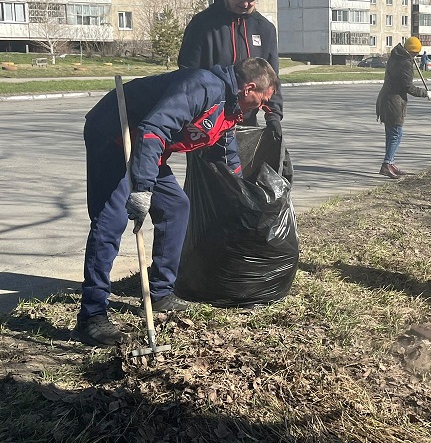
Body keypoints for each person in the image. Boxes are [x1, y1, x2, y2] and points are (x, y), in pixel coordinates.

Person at [73, 58, 278, 347]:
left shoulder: (230, 107)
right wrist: (142, 188)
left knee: (175, 207)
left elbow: (225, 148)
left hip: (146, 150)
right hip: (115, 135)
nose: (260, 107)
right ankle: (92, 315)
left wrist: (238, 189)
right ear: (249, 87)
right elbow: (153, 129)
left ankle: (161, 293)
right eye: (262, 100)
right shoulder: (202, 87)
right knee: (111, 221)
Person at [178, 0, 282, 135]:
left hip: (247, 121)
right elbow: (187, 73)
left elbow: (271, 79)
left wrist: (273, 115)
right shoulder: (203, 25)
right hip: (207, 122)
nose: (245, 3)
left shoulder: (265, 29)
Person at [375, 36, 431, 178]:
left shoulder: (396, 56)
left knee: (392, 134)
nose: (417, 56)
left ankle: (390, 163)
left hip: (386, 99)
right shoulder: (406, 63)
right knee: (395, 134)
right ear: (412, 52)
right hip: (394, 103)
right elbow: (408, 87)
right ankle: (386, 164)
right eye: (416, 54)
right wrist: (426, 93)